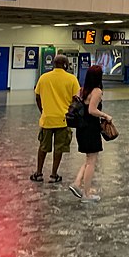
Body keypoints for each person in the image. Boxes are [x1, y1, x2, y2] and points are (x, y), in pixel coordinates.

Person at [30, 54, 79, 184]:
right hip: (63, 120)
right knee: (59, 148)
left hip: (47, 119)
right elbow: (76, 99)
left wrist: (43, 111)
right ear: (66, 65)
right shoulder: (72, 79)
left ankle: (39, 173)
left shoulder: (44, 78)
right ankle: (53, 175)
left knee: (43, 146)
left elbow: (37, 96)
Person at [69, 65, 112, 203]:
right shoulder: (97, 91)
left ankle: (77, 183)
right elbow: (92, 110)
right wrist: (106, 116)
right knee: (92, 162)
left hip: (81, 128)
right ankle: (86, 194)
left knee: (89, 159)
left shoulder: (81, 90)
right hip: (91, 128)